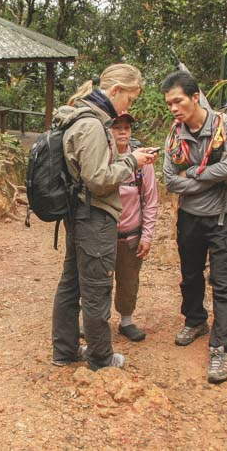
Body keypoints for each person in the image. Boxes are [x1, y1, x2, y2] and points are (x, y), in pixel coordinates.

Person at [51, 64, 157, 370]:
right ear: (115, 91)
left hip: (79, 212)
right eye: (129, 99)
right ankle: (100, 358)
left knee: (72, 283)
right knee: (96, 288)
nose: (127, 107)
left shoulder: (82, 116)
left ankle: (65, 350)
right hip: (94, 216)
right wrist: (132, 161)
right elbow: (98, 179)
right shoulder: (92, 125)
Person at [161, 70, 227, 384]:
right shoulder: (174, 136)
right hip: (190, 217)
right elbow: (171, 181)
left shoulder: (226, 125)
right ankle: (195, 320)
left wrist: (192, 174)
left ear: (195, 97)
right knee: (191, 274)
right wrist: (207, 178)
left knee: (224, 281)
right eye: (169, 103)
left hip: (224, 216)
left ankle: (220, 346)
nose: (173, 108)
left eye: (178, 101)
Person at [109, 112, 159, 342]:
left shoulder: (142, 162)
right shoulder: (101, 158)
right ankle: (95, 321)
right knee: (97, 281)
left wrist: (146, 236)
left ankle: (126, 321)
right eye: (117, 127)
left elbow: (150, 200)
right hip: (103, 233)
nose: (122, 131)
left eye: (126, 128)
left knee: (129, 280)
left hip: (130, 234)